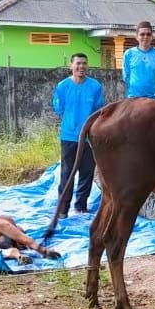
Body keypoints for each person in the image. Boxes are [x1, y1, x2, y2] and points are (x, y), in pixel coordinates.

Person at [52, 52, 105, 218]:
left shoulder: (95, 87)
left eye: (84, 64)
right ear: (71, 66)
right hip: (69, 137)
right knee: (67, 173)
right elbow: (58, 109)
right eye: (78, 63)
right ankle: (62, 209)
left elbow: (98, 110)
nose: (81, 67)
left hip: (90, 138)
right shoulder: (63, 86)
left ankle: (81, 206)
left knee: (87, 172)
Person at [122, 21, 155, 100]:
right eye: (142, 34)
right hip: (134, 98)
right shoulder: (129, 54)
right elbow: (126, 76)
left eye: (148, 34)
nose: (145, 37)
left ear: (152, 36)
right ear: (136, 37)